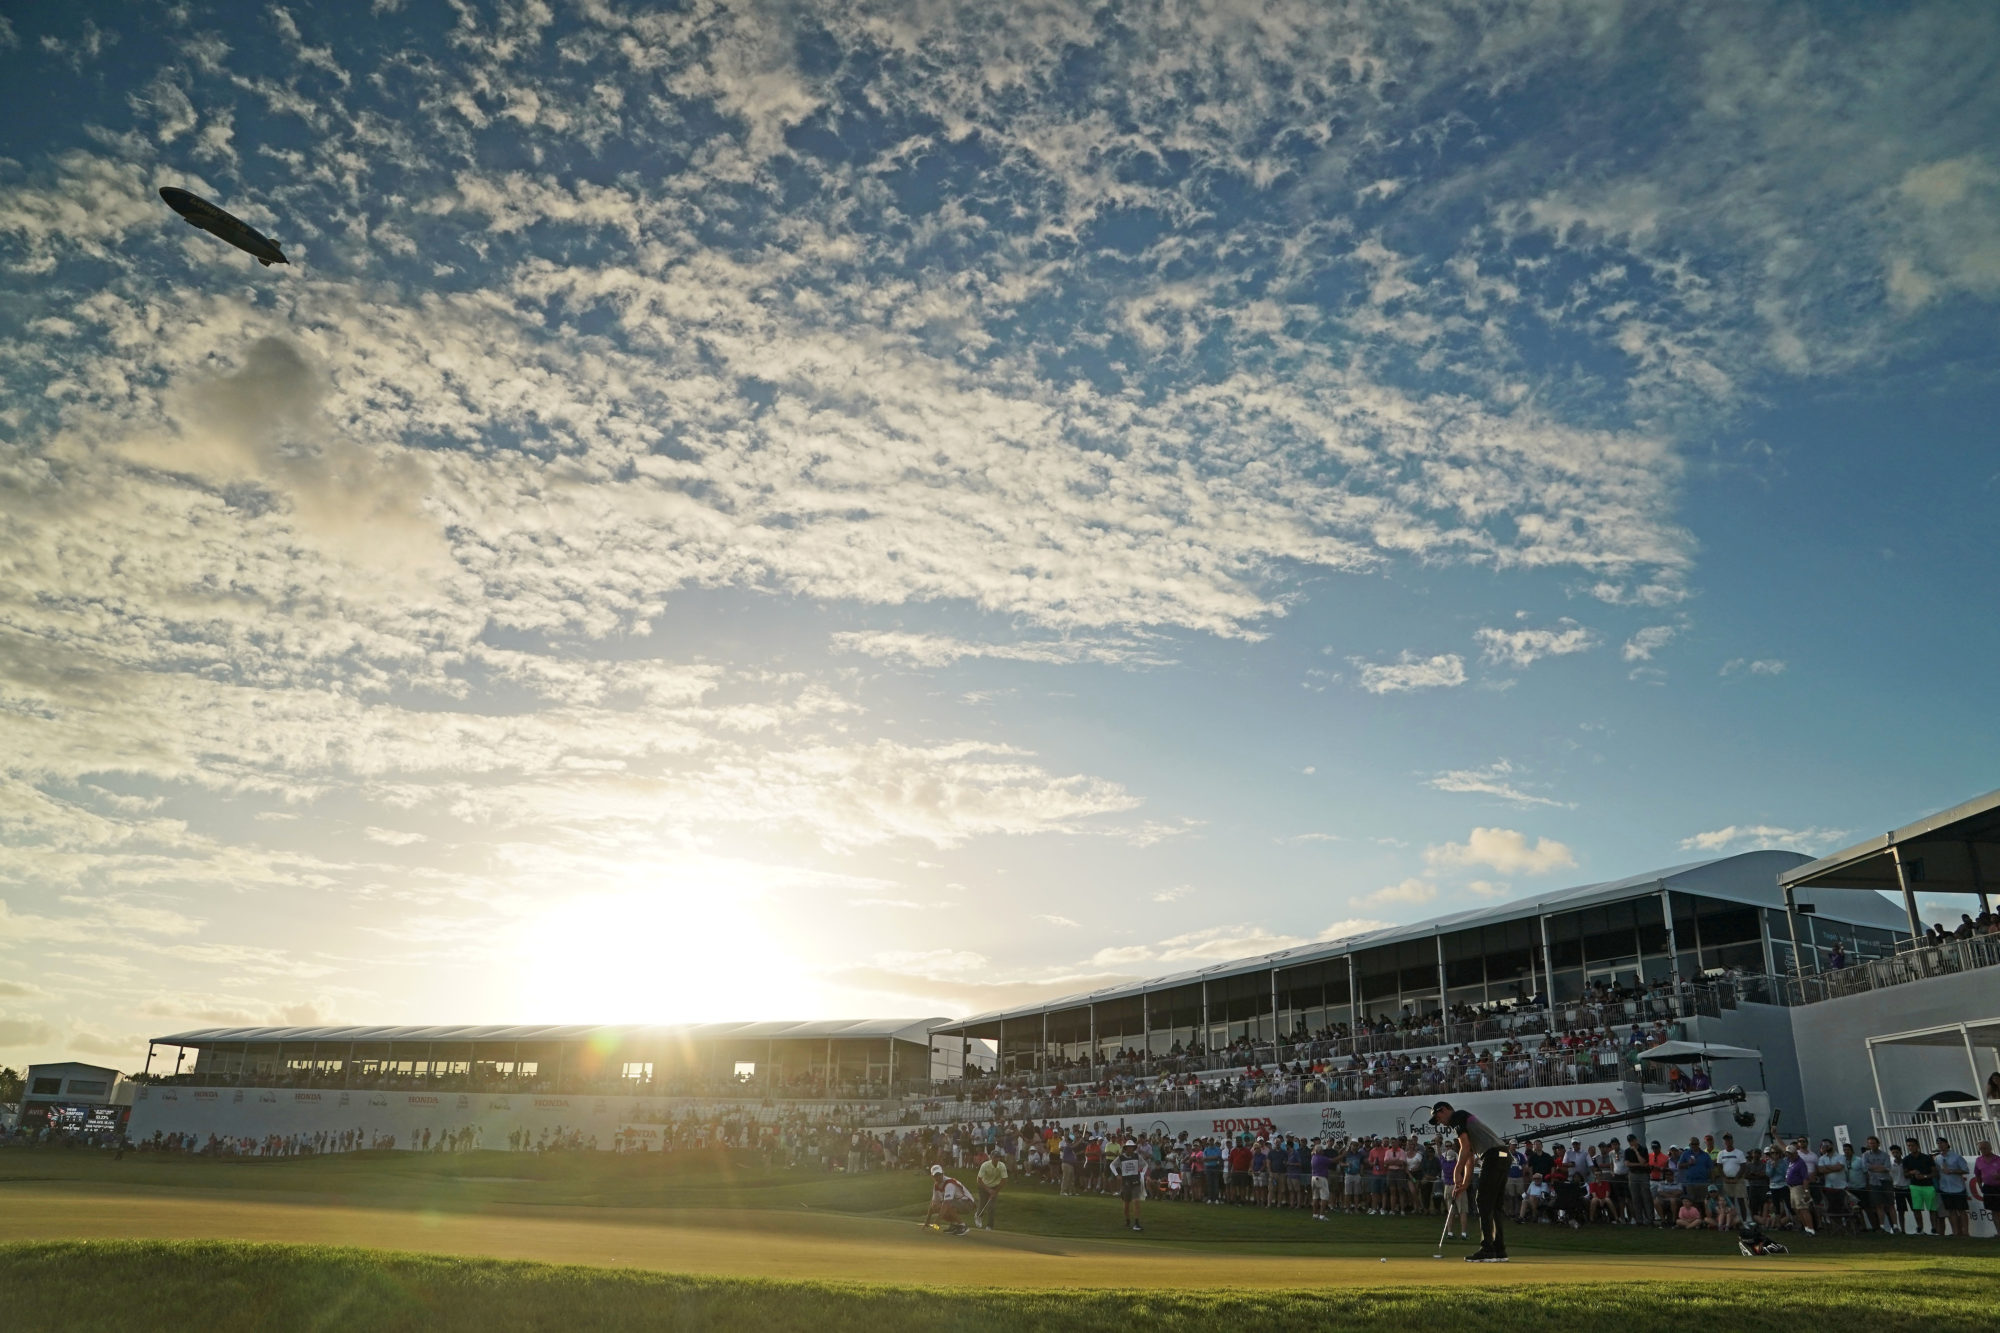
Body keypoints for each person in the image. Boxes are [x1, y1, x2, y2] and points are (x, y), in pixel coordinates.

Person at [1429, 1099, 1512, 1262]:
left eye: (1438, 1117)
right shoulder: (1463, 1122)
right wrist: (1464, 1184)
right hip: (1504, 1155)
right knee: (1494, 1205)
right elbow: (1469, 1157)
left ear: (1444, 1110)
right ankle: (1499, 1250)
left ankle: (1487, 1250)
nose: (1440, 1122)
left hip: (1493, 1156)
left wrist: (1456, 1171)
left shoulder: (1457, 1117)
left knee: (1483, 1201)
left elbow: (1465, 1148)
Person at [1934, 1138, 1971, 1238]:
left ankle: (1965, 1232)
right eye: (1938, 1144)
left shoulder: (1956, 1157)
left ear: (1947, 1144)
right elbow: (1937, 1172)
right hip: (1945, 1188)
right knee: (1951, 1211)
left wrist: (1951, 1171)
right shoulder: (1937, 1158)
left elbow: (1965, 1170)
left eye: (1942, 1143)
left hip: (1958, 1187)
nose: (1940, 1145)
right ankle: (1956, 1232)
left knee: (1962, 1211)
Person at [1902, 1138, 1938, 1235]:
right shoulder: (1906, 1159)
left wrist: (1924, 1176)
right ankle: (1920, 1228)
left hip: (1928, 1185)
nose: (1911, 1147)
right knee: (1917, 1209)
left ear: (1917, 1146)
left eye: (1912, 1145)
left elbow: (1934, 1173)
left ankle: (1934, 1228)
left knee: (1932, 1209)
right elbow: (1905, 1174)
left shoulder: (1927, 1158)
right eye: (1909, 1145)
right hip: (1914, 1186)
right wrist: (1911, 1172)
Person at [924, 1164, 973, 1234]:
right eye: (936, 1175)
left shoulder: (949, 1183)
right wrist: (927, 1221)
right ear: (932, 1176)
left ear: (943, 1173)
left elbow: (946, 1203)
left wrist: (938, 1220)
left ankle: (963, 1226)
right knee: (936, 1206)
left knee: (946, 1205)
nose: (938, 1177)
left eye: (939, 1174)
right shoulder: (936, 1186)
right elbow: (933, 1203)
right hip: (957, 1203)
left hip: (967, 1203)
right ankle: (954, 1225)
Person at [975, 1143, 1009, 1230]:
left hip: (994, 1187)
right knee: (982, 1204)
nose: (996, 1159)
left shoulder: (1002, 1166)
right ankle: (978, 1216)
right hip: (983, 1185)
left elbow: (1004, 1180)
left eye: (998, 1157)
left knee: (991, 1207)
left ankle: (989, 1226)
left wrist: (995, 1191)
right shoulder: (985, 1165)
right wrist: (988, 1190)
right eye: (994, 1157)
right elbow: (979, 1179)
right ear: (991, 1157)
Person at [1115, 1137, 1145, 1231]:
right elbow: (1112, 1165)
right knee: (1126, 1205)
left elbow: (1145, 1165)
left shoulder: (1137, 1156)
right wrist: (1117, 1175)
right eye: (1128, 1147)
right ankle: (1128, 1220)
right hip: (1126, 1183)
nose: (1130, 1148)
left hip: (1135, 1182)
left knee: (1136, 1202)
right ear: (1126, 1148)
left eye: (1131, 1147)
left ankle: (1136, 1223)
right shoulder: (1121, 1157)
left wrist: (1142, 1174)